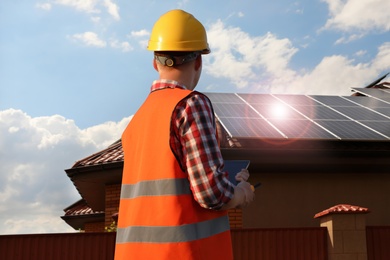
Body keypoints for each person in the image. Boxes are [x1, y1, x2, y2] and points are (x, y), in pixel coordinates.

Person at [114, 9, 255, 260]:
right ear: (199, 61)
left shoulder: (137, 120)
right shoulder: (191, 104)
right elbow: (211, 194)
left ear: (154, 61)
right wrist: (241, 191)